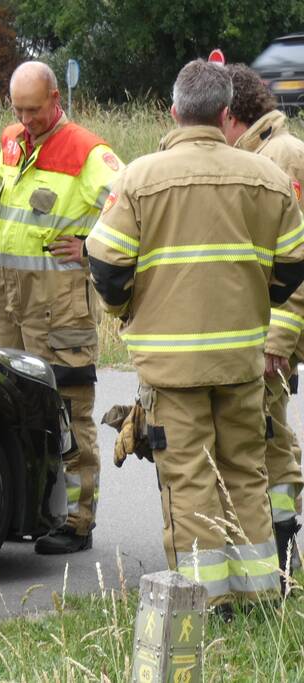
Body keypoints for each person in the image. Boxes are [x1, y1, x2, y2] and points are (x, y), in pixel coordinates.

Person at [86, 59, 304, 609]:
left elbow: (106, 263)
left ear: (174, 112)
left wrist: (125, 310)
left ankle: (205, 605)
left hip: (171, 367)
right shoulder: (269, 178)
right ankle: (259, 600)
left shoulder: (139, 177)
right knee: (246, 473)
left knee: (188, 480)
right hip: (241, 362)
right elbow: (296, 261)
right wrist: (262, 304)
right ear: (227, 112)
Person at [0, 61, 123, 554]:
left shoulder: (89, 151)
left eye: (34, 109)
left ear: (55, 98)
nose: (26, 120)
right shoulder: (11, 140)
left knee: (69, 412)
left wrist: (88, 246)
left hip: (60, 308)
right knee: (14, 408)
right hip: (8, 302)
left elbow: (133, 206)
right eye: (18, 110)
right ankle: (28, 511)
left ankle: (77, 520)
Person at [221, 63, 304, 578]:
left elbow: (298, 255)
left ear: (232, 115)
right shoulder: (263, 152)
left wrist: (279, 335)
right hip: (266, 321)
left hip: (277, 327)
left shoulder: (282, 156)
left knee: (269, 435)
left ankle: (280, 552)